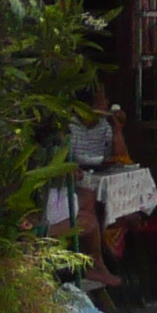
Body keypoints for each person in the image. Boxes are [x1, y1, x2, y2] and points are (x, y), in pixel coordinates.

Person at [39, 98, 147, 290]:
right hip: (45, 215)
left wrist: (117, 128)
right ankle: (92, 264)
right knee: (89, 218)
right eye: (98, 103)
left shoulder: (104, 125)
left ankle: (96, 261)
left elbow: (121, 157)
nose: (101, 108)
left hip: (65, 192)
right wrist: (66, 170)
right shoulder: (52, 144)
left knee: (91, 202)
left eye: (105, 103)